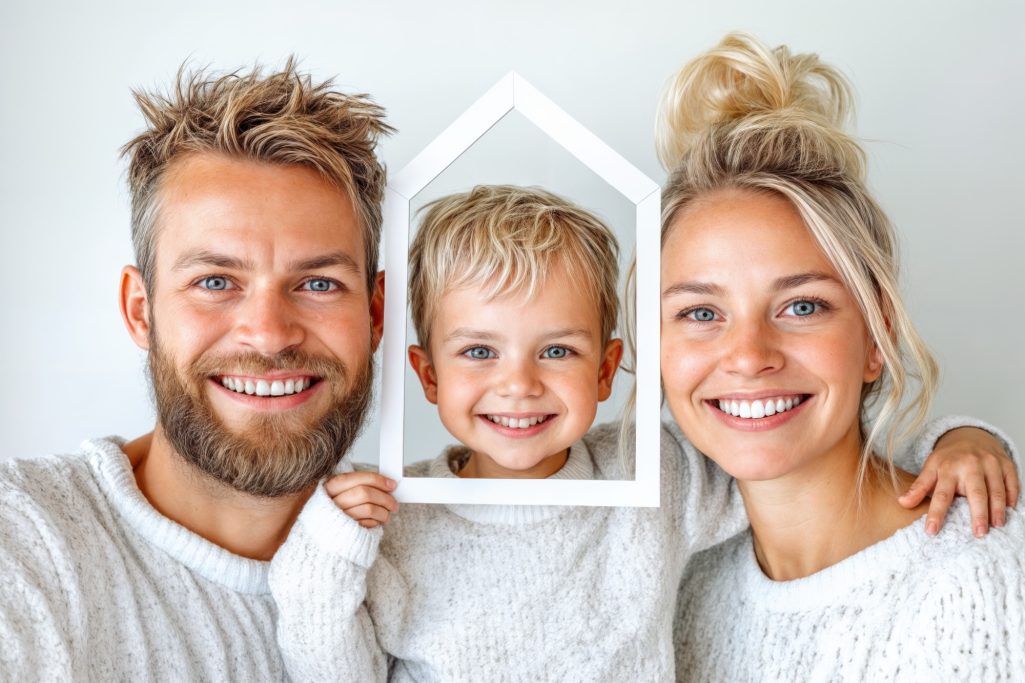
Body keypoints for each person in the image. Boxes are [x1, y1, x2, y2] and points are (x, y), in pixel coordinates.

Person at [271, 185, 1016, 682]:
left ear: (607, 369)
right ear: (427, 374)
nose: (518, 383)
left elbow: (790, 454)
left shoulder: (654, 474)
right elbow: (333, 666)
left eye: (557, 351)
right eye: (478, 353)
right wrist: (323, 552)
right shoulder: (391, 523)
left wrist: (957, 442)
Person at [0, 60, 392, 679]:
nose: (269, 335)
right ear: (141, 311)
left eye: (318, 283)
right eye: (215, 281)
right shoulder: (22, 542)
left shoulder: (430, 545)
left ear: (374, 313)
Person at [656, 33, 1025, 680]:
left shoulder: (977, 579)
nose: (748, 355)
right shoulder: (676, 584)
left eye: (801, 305)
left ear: (877, 336)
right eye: (701, 313)